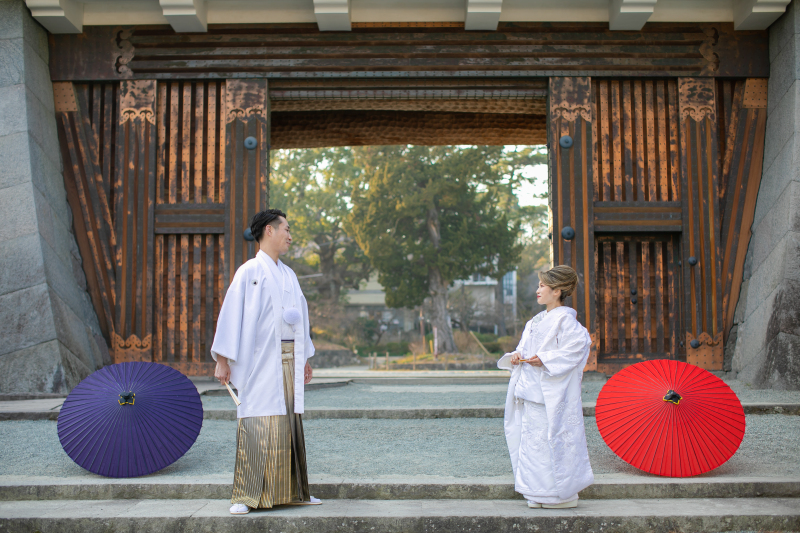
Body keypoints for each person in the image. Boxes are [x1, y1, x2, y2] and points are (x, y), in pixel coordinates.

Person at [211, 209, 321, 515]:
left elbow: (301, 318)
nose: (289, 235)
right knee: (258, 419)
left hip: (288, 357)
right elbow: (231, 315)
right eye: (285, 229)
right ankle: (246, 495)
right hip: (260, 359)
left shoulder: (289, 274)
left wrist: (304, 358)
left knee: (288, 422)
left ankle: (295, 491)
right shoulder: (249, 271)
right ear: (268, 231)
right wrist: (223, 359)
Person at [497, 265, 594, 509]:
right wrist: (518, 356)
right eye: (539, 285)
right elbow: (524, 347)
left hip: (548, 394)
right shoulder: (535, 321)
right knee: (533, 446)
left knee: (552, 443)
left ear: (558, 290)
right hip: (530, 391)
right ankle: (535, 492)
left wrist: (546, 359)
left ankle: (558, 496)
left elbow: (578, 347)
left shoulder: (566, 321)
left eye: (542, 285)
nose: (537, 289)